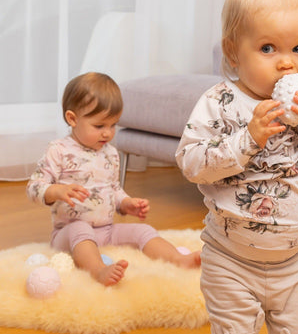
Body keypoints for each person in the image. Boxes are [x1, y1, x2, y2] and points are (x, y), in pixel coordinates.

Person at [175, 0, 298, 333]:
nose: (287, 62)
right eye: (268, 48)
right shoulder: (219, 102)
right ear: (233, 52)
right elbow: (191, 163)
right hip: (230, 262)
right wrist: (247, 138)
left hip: (293, 263)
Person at [27, 72, 200, 287]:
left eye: (113, 125)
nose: (107, 133)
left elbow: (114, 189)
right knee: (80, 229)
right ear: (72, 119)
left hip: (106, 231)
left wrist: (126, 203)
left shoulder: (110, 153)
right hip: (68, 234)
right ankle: (99, 271)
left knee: (142, 231)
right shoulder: (58, 150)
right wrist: (56, 191)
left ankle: (178, 259)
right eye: (99, 126)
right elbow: (34, 187)